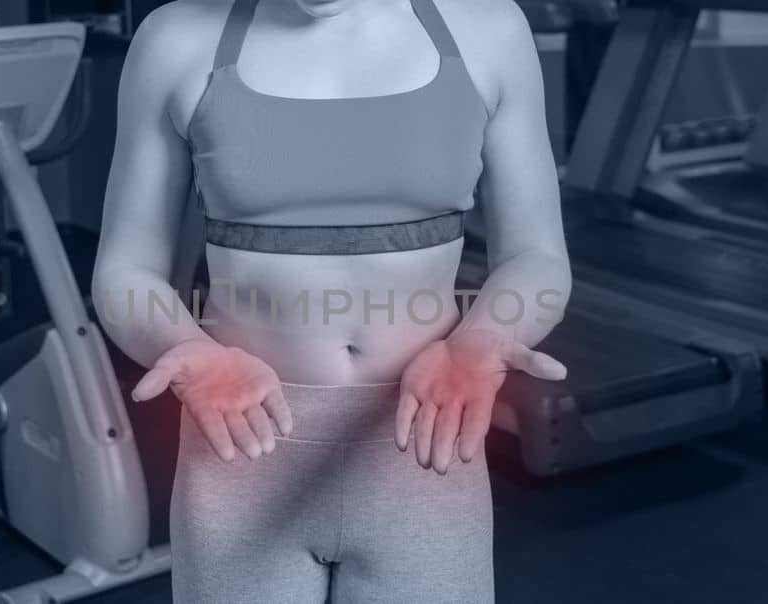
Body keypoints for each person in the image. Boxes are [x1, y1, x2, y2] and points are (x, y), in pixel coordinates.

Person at [93, 0, 571, 600]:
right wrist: (187, 347)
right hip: (240, 443)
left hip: (427, 447)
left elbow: (537, 257)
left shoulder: (489, 28)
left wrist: (478, 340)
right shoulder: (174, 39)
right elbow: (124, 269)